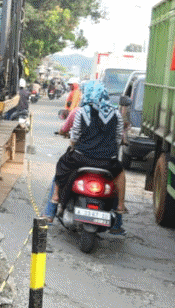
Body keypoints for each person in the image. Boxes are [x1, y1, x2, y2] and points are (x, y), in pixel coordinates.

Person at [43, 80, 127, 234]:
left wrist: (77, 148)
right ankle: (119, 210)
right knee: (120, 175)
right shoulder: (116, 113)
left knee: (61, 166)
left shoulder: (82, 112)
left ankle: (54, 201)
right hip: (108, 162)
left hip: (81, 158)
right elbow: (117, 140)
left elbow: (74, 137)